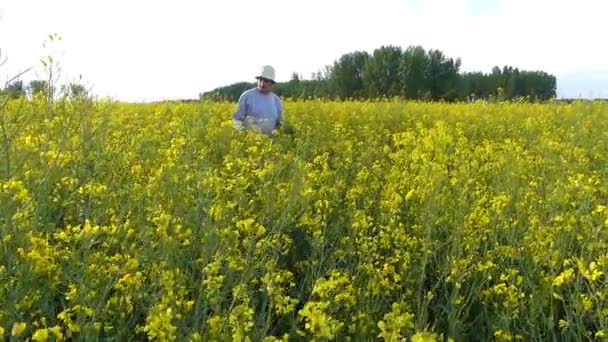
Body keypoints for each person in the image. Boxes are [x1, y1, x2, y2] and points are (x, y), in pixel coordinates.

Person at [232, 65, 284, 136]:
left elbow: (280, 123)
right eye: (260, 80)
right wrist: (242, 134)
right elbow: (236, 119)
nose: (262, 83)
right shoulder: (247, 96)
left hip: (270, 143)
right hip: (251, 143)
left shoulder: (276, 99)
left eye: (266, 81)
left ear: (272, 83)